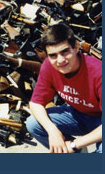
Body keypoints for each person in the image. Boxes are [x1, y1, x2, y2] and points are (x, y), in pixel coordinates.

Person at [26, 23, 102, 153]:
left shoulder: (98, 72)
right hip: (78, 115)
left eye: (64, 51)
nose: (60, 60)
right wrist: (53, 131)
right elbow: (35, 103)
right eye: (53, 55)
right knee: (33, 124)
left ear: (76, 48)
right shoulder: (49, 66)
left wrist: (74, 144)